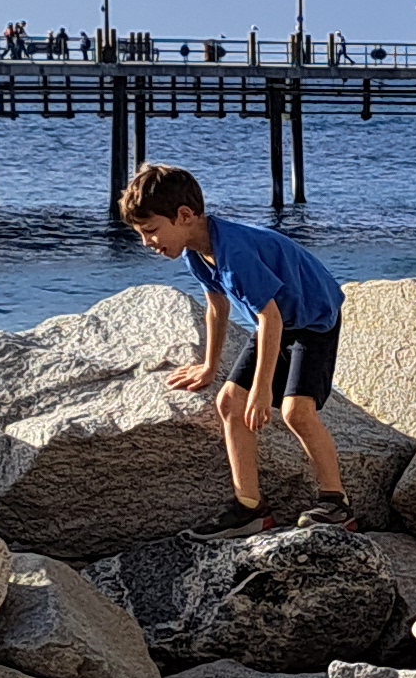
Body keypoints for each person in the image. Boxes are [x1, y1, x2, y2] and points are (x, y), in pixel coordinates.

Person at [118, 160, 348, 525]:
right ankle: (250, 507)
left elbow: (270, 319)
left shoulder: (235, 255)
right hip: (278, 320)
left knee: (296, 412)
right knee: (229, 402)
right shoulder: (197, 251)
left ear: (184, 216)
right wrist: (210, 366)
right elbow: (216, 307)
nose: (147, 243)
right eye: (142, 234)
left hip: (313, 320)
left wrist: (261, 390)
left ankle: (336, 503)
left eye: (151, 230)